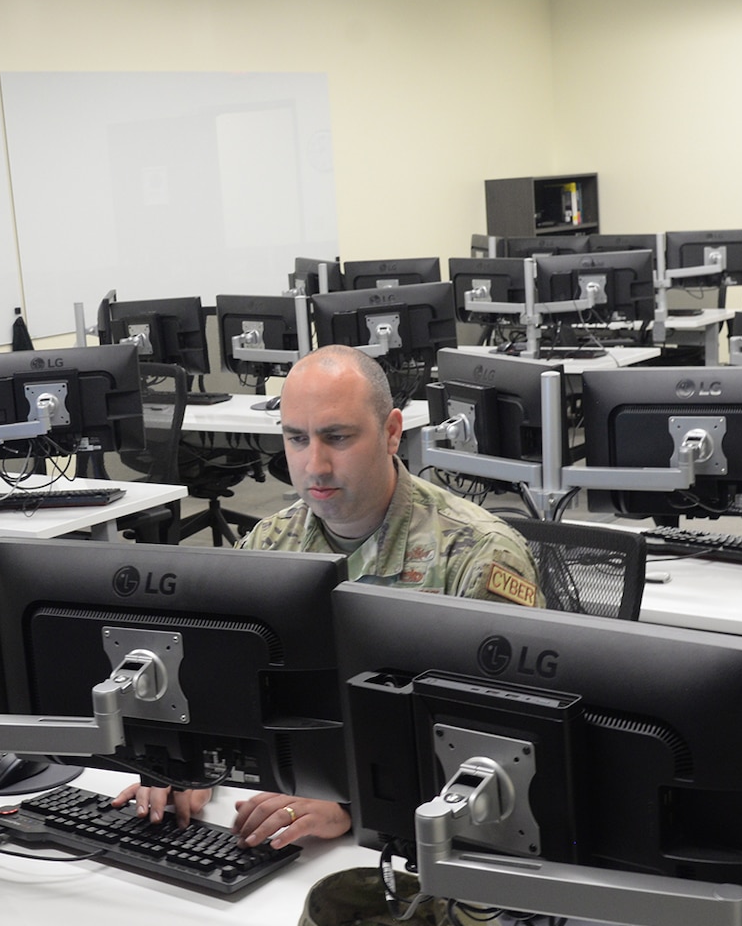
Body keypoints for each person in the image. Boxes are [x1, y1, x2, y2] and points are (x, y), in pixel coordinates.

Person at [116, 344, 540, 849]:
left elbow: (506, 752)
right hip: (281, 814)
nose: (313, 465)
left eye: (337, 438)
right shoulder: (269, 544)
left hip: (421, 836)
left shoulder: (478, 555)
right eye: (297, 439)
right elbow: (223, 686)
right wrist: (190, 764)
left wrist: (350, 800)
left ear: (391, 433)